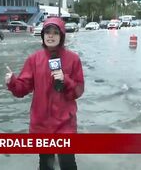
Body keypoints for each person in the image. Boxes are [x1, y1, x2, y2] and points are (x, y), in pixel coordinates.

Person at [5, 17, 84, 170]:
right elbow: (23, 89)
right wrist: (12, 82)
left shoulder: (73, 59)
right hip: (41, 124)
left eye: (55, 33)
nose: (51, 36)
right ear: (42, 35)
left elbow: (78, 90)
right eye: (47, 32)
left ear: (61, 36)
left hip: (65, 124)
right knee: (46, 164)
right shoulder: (34, 59)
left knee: (67, 163)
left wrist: (65, 80)